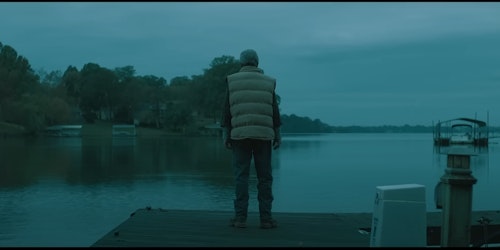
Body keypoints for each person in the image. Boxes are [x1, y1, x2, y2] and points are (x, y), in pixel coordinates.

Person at [221, 49, 282, 229]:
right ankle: (266, 219)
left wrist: (226, 135)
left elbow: (226, 110)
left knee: (241, 177)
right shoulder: (269, 82)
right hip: (263, 135)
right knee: (265, 178)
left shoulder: (231, 80)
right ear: (257, 62)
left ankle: (240, 218)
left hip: (240, 135)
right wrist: (277, 135)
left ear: (241, 63)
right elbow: (274, 112)